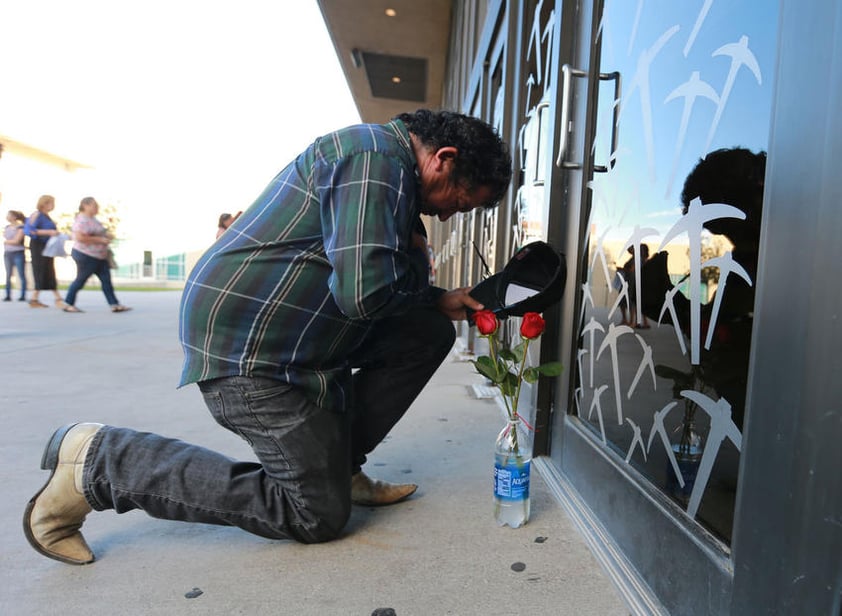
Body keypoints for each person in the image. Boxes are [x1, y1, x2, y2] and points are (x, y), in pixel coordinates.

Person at [23, 109, 513, 565]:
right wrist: (420, 285)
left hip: (296, 337)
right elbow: (364, 294)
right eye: (460, 202)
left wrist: (434, 300)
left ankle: (338, 465)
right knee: (315, 514)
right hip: (251, 350)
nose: (450, 216)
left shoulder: (389, 172)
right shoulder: (375, 159)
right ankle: (103, 462)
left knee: (426, 332)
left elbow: (369, 283)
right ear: (443, 160)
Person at [62, 197, 131, 313]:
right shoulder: (81, 220)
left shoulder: (93, 219)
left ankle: (114, 304)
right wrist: (99, 240)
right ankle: (68, 303)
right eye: (94, 206)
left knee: (106, 280)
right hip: (86, 254)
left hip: (99, 256)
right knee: (81, 279)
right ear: (85, 205)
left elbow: (101, 232)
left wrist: (107, 237)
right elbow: (79, 237)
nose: (97, 208)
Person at [25, 195, 65, 309]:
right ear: (44, 203)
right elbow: (29, 230)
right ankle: (55, 298)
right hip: (38, 246)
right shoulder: (37, 215)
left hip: (47, 245)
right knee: (41, 270)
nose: (53, 206)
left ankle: (36, 298)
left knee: (49, 271)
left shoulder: (47, 217)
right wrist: (48, 232)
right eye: (51, 203)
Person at [4, 209, 28, 302]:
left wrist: (6, 241)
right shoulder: (7, 227)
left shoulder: (20, 227)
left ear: (14, 217)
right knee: (8, 274)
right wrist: (9, 241)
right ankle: (8, 295)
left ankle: (22, 295)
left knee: (21, 274)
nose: (7, 217)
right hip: (8, 253)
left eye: (9, 215)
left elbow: (17, 241)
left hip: (18, 252)